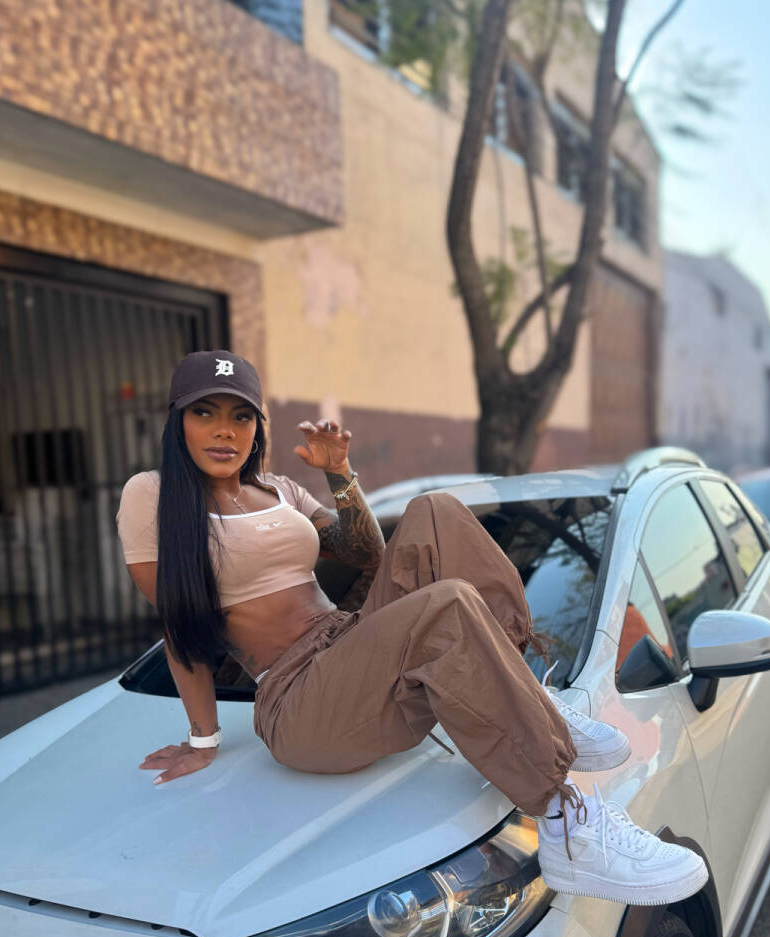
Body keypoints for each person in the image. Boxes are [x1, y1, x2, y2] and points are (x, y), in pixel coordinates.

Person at [116, 350, 708, 906]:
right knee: (446, 606)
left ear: (256, 427)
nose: (224, 431)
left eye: (240, 416)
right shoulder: (153, 495)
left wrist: (340, 473)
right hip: (299, 697)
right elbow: (179, 621)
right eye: (205, 413)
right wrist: (202, 740)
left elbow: (367, 555)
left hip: (350, 643)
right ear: (177, 421)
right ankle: (567, 823)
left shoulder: (278, 490)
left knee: (435, 510)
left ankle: (527, 694)